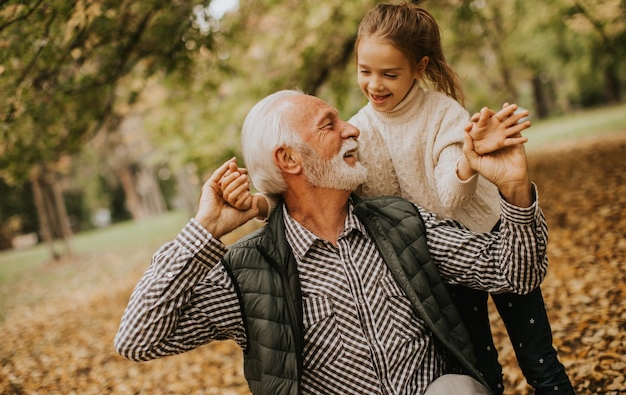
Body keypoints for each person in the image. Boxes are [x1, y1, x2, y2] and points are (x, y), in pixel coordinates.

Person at [223, 3, 574, 395]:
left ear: (419, 67)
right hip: (433, 254)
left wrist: (467, 164)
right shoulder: (358, 129)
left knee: (539, 359)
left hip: (485, 236)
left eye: (390, 74)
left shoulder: (443, 114)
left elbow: (448, 199)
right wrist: (259, 206)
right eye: (365, 71)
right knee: (479, 365)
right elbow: (322, 187)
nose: (375, 85)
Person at [115, 89, 549, 395]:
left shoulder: (401, 223)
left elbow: (517, 272)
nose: (353, 129)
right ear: (289, 159)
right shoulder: (249, 273)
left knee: (456, 390)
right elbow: (138, 339)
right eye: (330, 124)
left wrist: (514, 188)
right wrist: (203, 232)